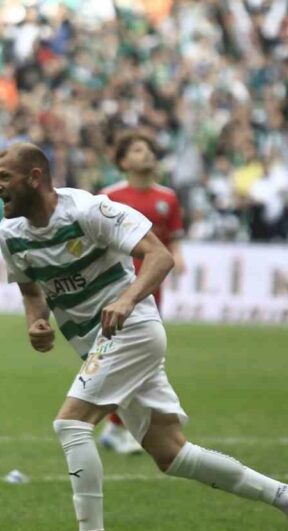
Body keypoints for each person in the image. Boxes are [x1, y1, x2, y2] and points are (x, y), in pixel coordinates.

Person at [0, 143, 288, 531]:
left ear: (35, 177)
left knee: (71, 424)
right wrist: (36, 323)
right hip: (98, 344)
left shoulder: (89, 211)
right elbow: (31, 291)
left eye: (4, 177)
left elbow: (160, 256)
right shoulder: (10, 234)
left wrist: (127, 299)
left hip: (132, 331)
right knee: (172, 453)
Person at [97, 131, 185, 455]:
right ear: (123, 161)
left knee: (141, 356)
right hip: (116, 286)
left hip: (150, 286)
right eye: (137, 150)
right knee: (123, 355)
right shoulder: (109, 196)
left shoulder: (168, 198)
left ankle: (116, 427)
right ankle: (118, 426)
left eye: (148, 149)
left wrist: (179, 255)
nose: (146, 154)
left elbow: (172, 239)